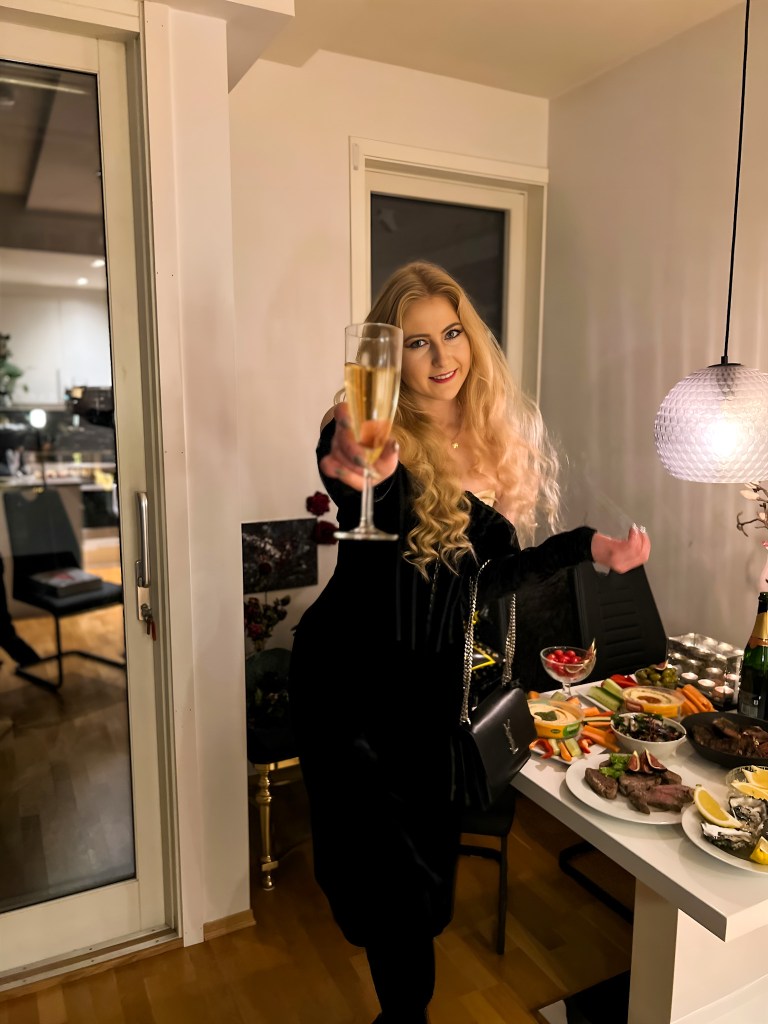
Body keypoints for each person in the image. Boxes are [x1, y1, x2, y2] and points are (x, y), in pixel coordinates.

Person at [289, 261, 650, 1023]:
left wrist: (588, 549)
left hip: (429, 701)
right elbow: (360, 470)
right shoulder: (372, 427)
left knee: (422, 895)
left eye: (451, 333)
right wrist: (367, 475)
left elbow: (487, 577)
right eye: (417, 343)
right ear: (390, 356)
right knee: (392, 903)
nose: (442, 357)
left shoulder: (487, 430)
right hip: (353, 693)